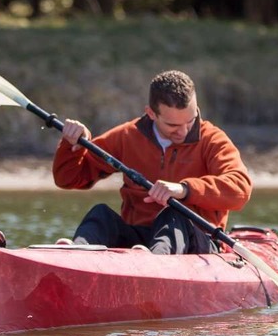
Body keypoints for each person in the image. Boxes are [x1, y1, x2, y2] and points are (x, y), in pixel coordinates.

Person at [52, 70, 252, 254]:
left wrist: (184, 190)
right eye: (172, 125)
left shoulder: (212, 140)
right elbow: (68, 179)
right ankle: (77, 253)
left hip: (196, 241)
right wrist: (73, 145)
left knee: (174, 214)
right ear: (151, 113)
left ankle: (154, 262)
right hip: (140, 239)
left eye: (190, 121)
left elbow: (240, 188)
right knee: (100, 214)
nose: (183, 131)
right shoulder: (127, 136)